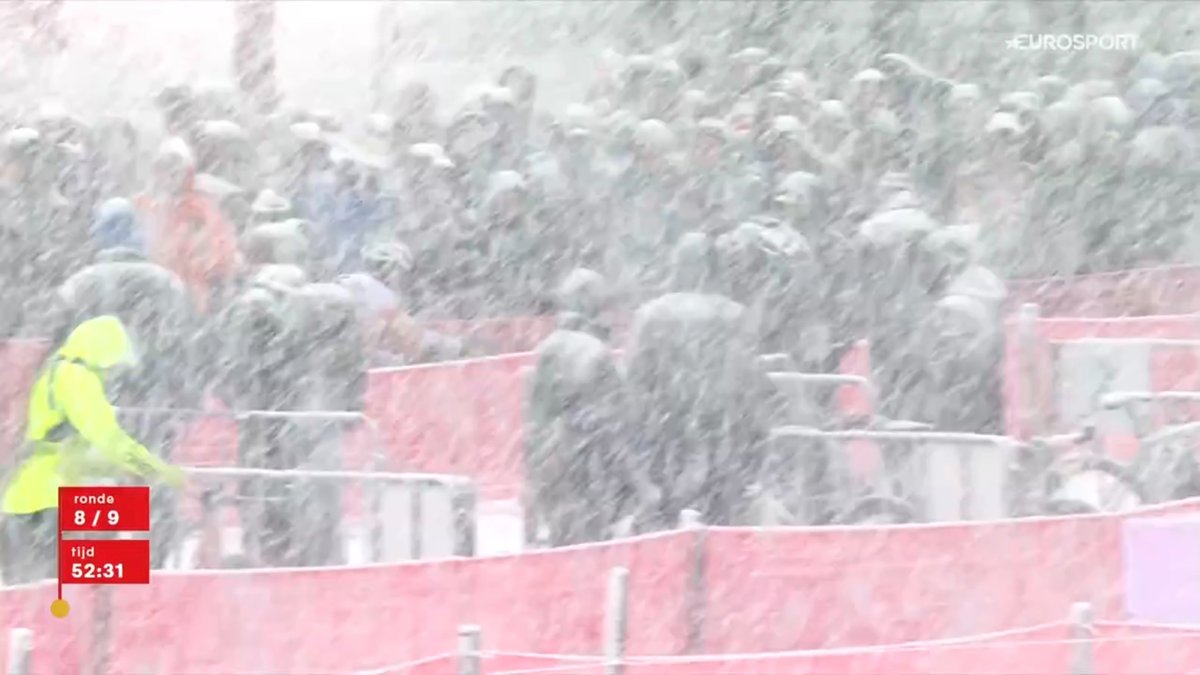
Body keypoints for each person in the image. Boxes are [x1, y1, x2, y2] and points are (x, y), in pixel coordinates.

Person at [1, 316, 184, 584]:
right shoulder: (77, 378)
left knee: (113, 567)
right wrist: (161, 471)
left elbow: (76, 452)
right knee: (116, 569)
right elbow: (109, 441)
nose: (112, 376)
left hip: (31, 499)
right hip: (47, 505)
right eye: (113, 367)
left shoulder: (57, 371)